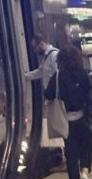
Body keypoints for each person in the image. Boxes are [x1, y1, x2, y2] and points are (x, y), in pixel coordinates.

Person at [44, 44, 92, 179]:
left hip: (67, 121)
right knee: (85, 147)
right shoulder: (83, 74)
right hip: (84, 117)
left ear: (61, 60)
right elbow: (91, 92)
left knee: (71, 152)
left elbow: (48, 94)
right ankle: (85, 172)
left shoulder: (58, 77)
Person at [26, 34, 65, 171]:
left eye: (35, 46)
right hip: (52, 99)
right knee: (56, 128)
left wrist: (54, 95)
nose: (35, 50)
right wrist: (25, 77)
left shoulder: (54, 56)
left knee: (61, 128)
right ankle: (62, 159)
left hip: (57, 99)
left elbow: (59, 76)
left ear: (41, 44)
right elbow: (40, 72)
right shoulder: (47, 57)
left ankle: (65, 160)